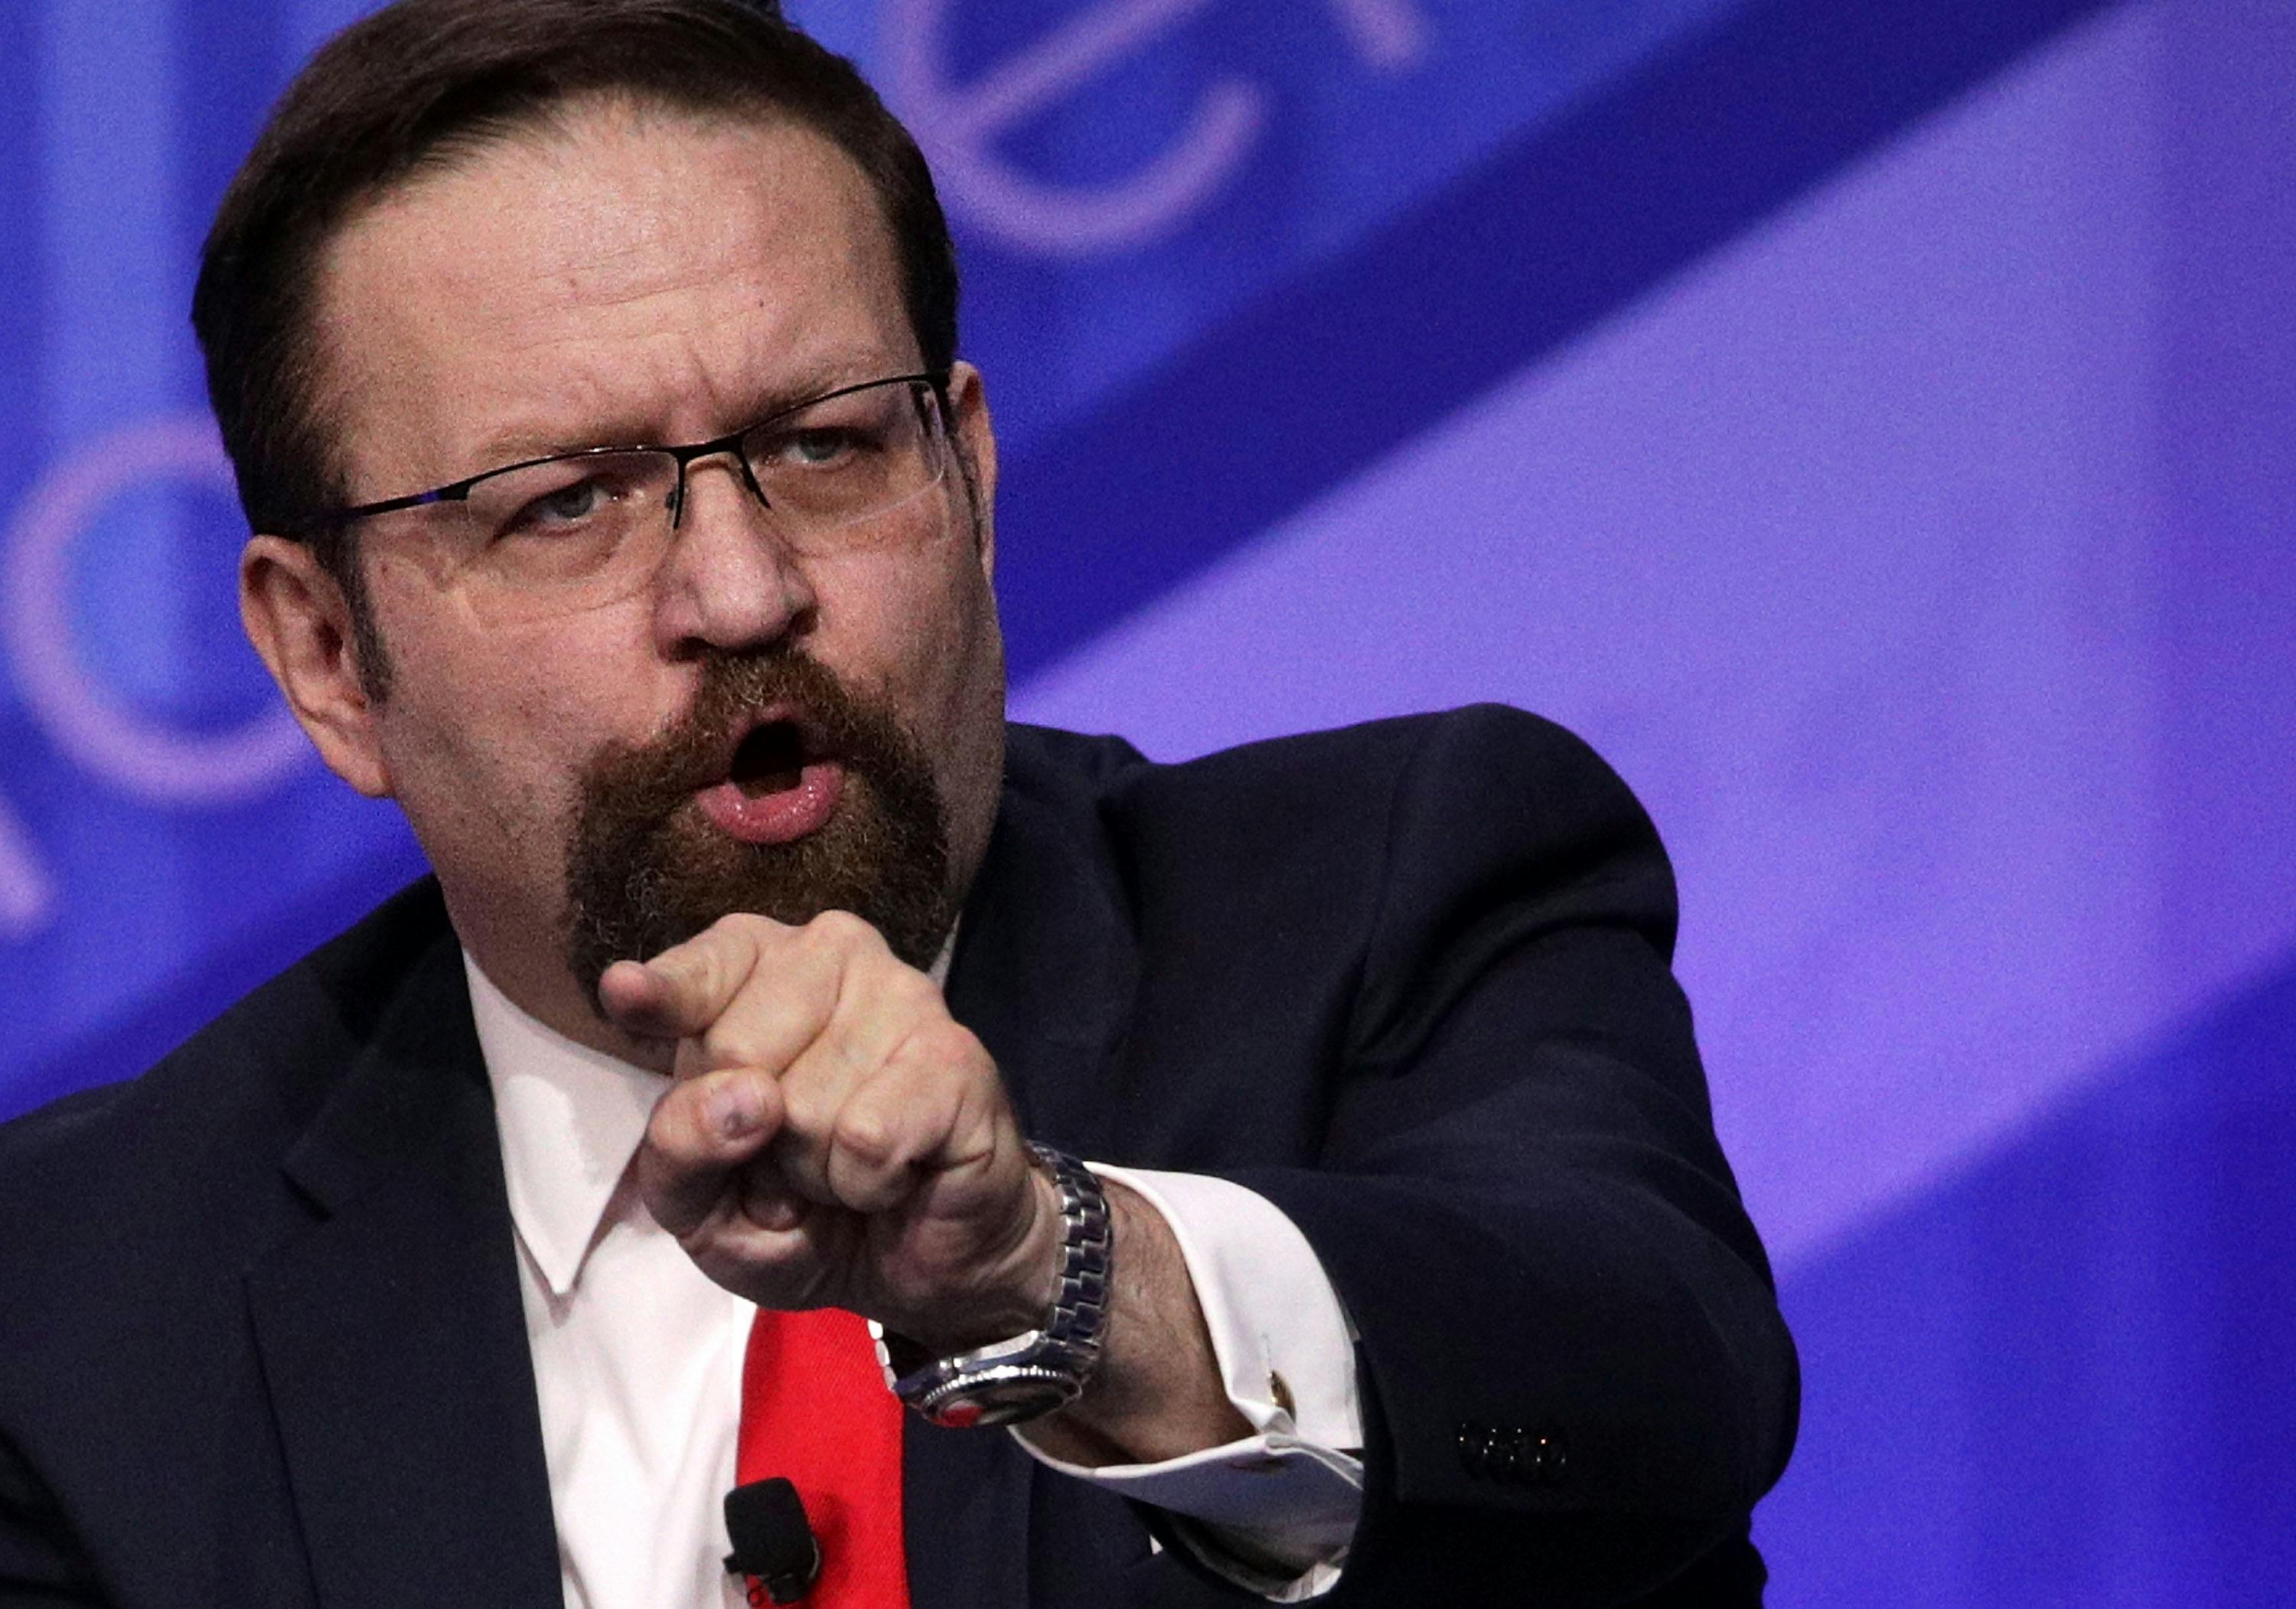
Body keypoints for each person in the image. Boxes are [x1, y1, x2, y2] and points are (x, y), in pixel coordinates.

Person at [0, 2, 1797, 1604]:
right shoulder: (74, 1311)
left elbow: (1659, 1397)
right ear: (328, 655)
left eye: (823, 443)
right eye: (566, 501)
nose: (742, 589)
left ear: (969, 475)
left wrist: (1055, 1273)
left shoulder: (1398, 890)